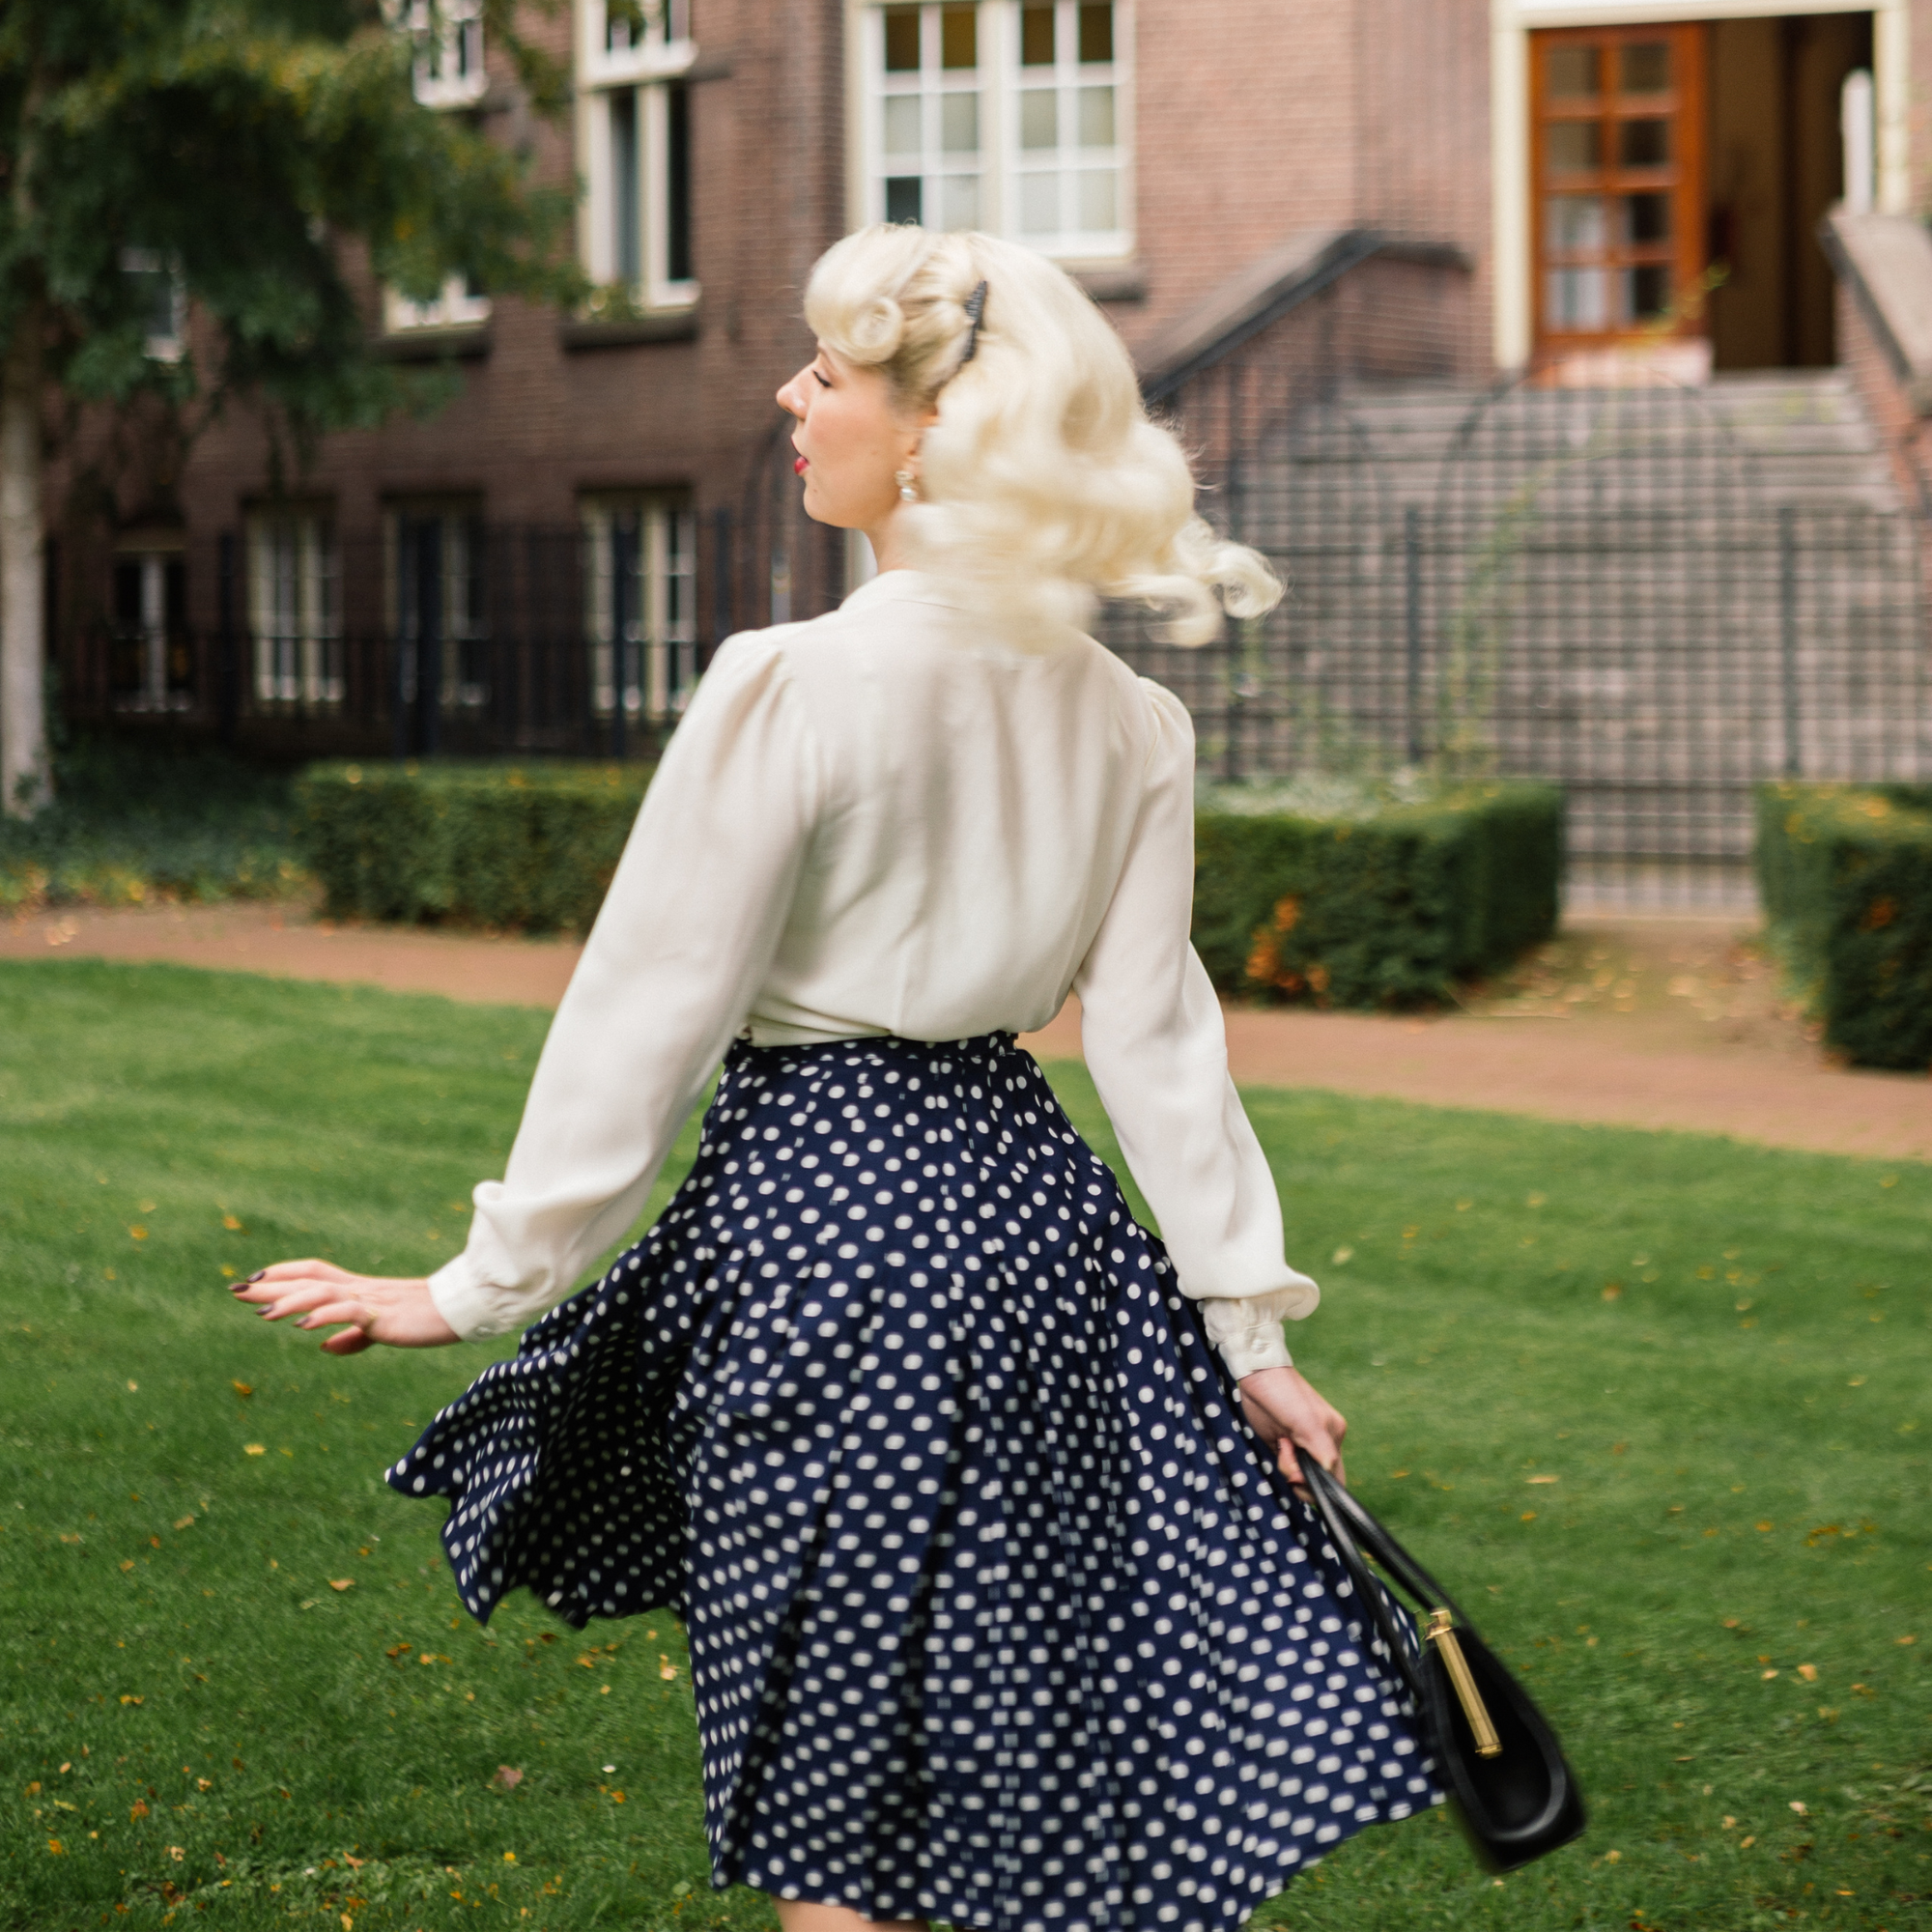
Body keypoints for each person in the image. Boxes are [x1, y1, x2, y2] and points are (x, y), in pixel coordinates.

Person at [232, 224, 1435, 1932]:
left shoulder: (788, 680)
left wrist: (480, 1281)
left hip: (828, 1237)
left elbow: (647, 1009)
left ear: (939, 429)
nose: (790, 395)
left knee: (837, 1811)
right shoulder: (1129, 722)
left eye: (830, 372)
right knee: (993, 1760)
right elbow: (1157, 1042)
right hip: (1041, 1245)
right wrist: (1246, 1329)